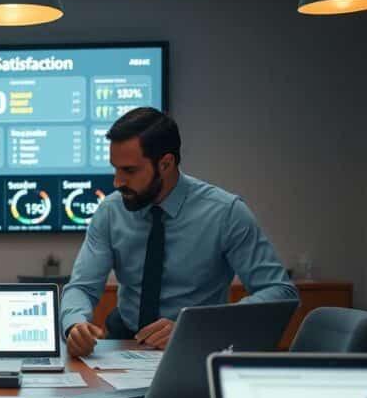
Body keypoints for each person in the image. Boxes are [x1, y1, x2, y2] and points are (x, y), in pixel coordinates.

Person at [61, 107, 298, 358]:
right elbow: (82, 288)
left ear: (165, 164)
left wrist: (196, 328)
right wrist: (75, 325)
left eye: (129, 171)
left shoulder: (225, 213)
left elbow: (280, 292)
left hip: (198, 346)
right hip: (125, 341)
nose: (117, 182)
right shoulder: (111, 211)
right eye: (115, 169)